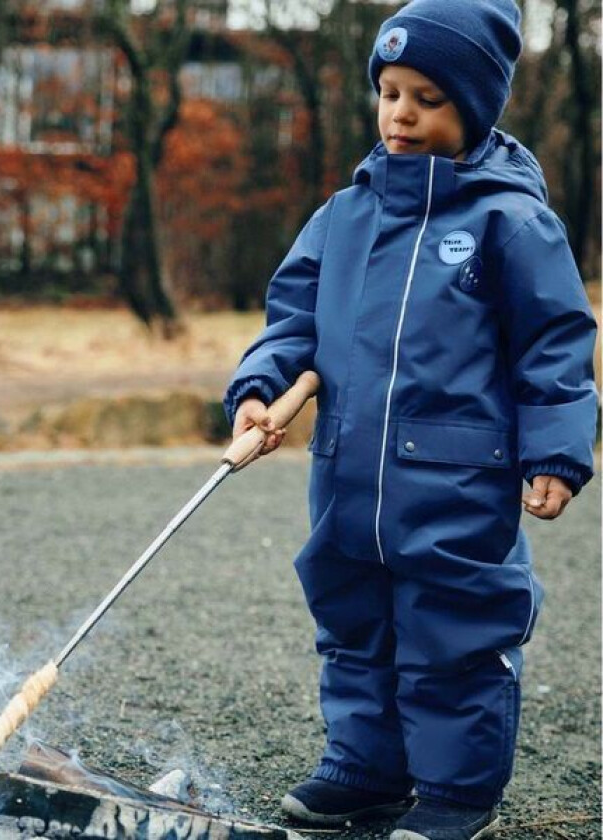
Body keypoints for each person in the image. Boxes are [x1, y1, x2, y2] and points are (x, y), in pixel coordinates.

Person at [222, 2, 598, 839]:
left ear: (473, 106)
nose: (400, 113)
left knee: (450, 630)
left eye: (427, 96)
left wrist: (556, 453)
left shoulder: (508, 221)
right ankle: (365, 766)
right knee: (351, 618)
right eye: (389, 92)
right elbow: (292, 321)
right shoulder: (343, 216)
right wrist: (259, 386)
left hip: (456, 477)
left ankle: (455, 793)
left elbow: (554, 348)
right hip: (348, 471)